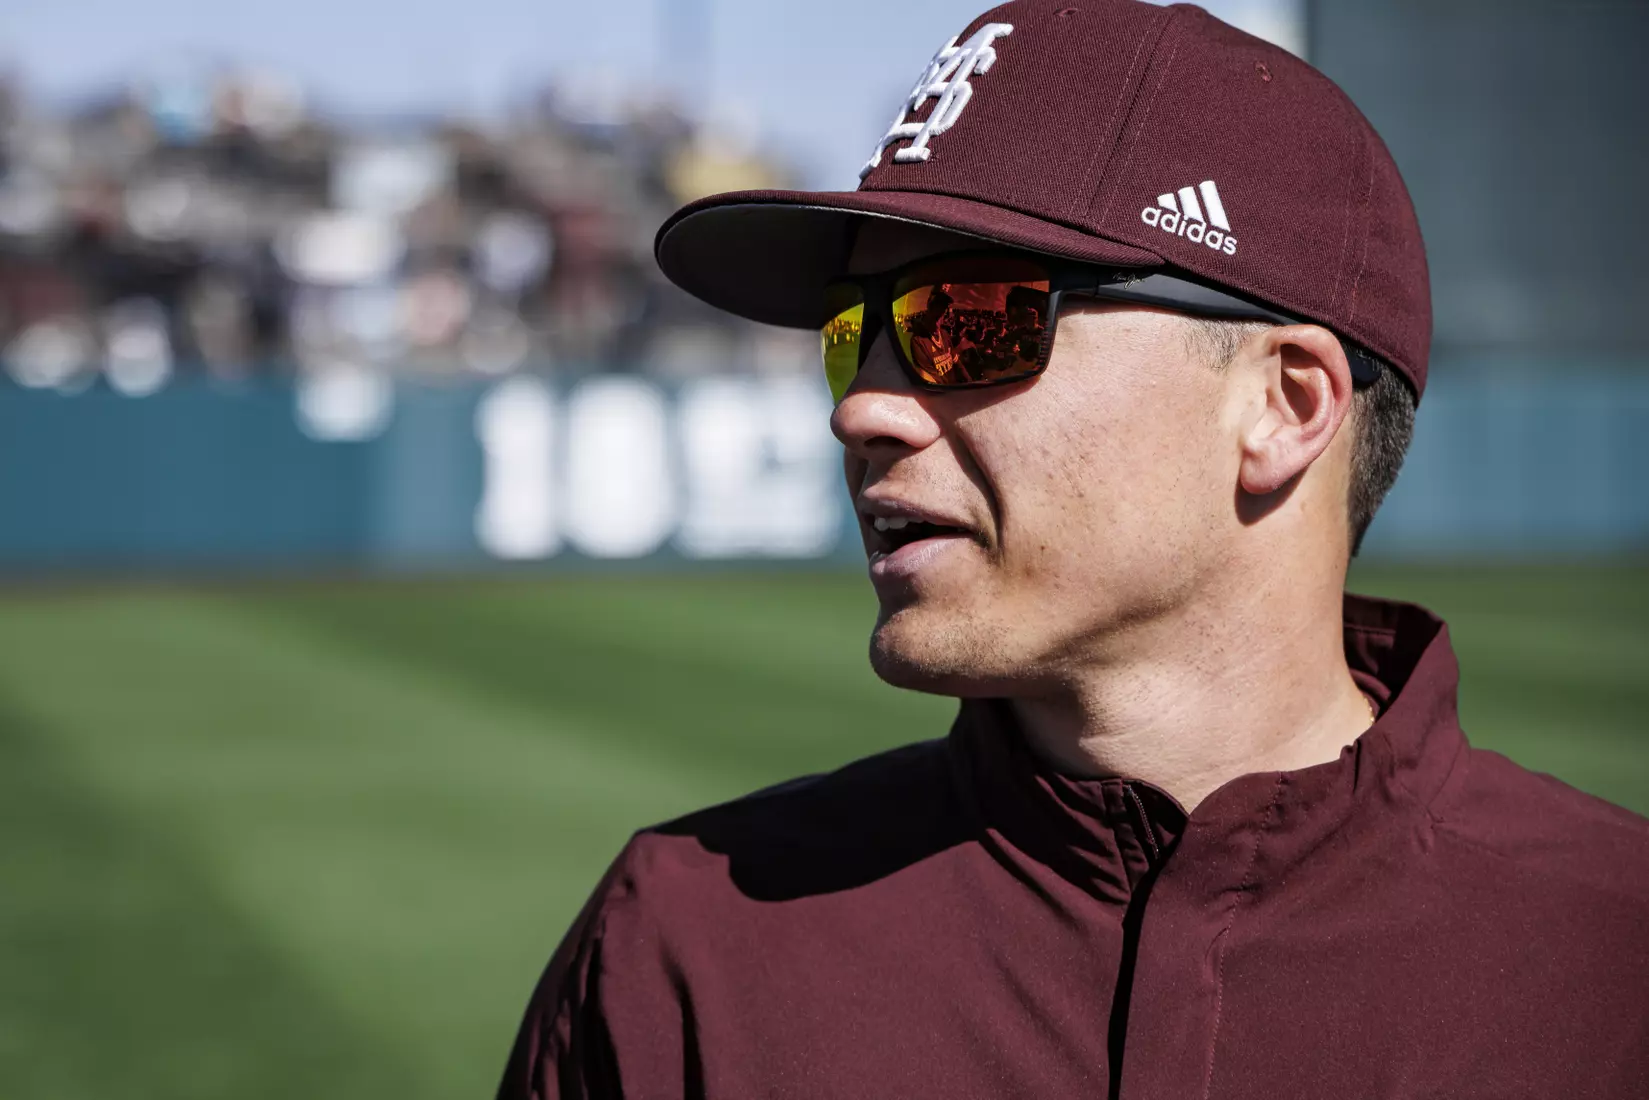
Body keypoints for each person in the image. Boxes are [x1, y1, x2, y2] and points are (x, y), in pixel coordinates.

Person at [498, 2, 1649, 1097]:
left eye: (970, 321)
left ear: (1283, 405)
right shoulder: (682, 946)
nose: (861, 409)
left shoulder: (1612, 961)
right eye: (853, 336)